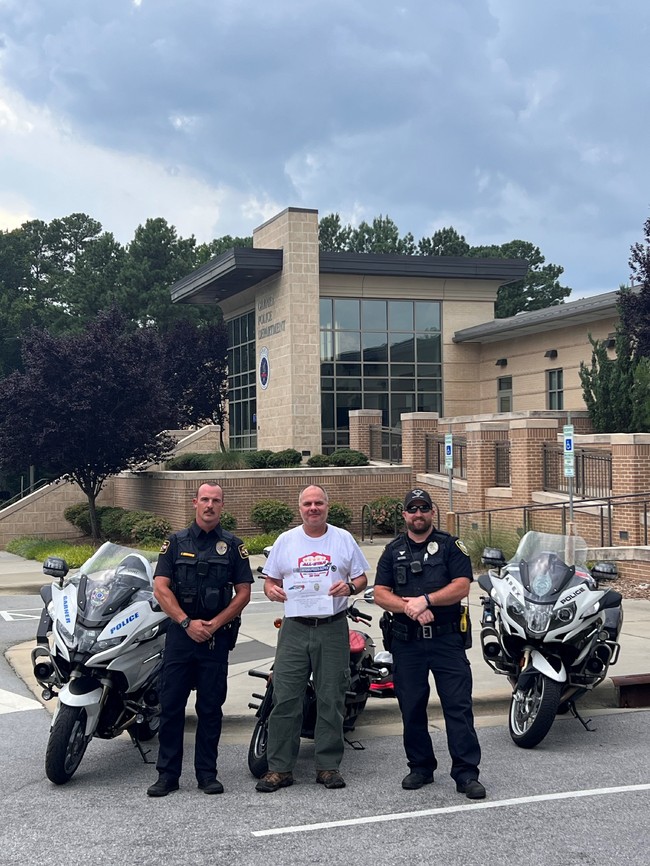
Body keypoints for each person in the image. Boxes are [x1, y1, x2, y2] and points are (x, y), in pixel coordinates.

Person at [255, 484, 369, 793]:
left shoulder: (343, 539)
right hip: (295, 626)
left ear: (327, 506)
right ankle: (280, 768)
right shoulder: (286, 541)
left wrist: (351, 588)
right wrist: (271, 591)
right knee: (285, 696)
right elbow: (270, 581)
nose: (313, 508)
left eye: (319, 503)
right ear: (300, 508)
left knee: (331, 697)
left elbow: (361, 577)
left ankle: (327, 766)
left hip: (332, 626)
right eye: (307, 504)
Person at [373, 488, 486, 800]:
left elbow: (461, 586)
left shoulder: (451, 546)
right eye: (412, 509)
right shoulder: (393, 550)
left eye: (424, 508)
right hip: (407, 642)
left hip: (446, 640)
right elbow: (380, 593)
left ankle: (466, 773)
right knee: (411, 707)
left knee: (458, 706)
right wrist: (409, 607)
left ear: (432, 512)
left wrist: (427, 600)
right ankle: (420, 767)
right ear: (404, 515)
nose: (418, 514)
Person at [146, 482, 253, 797]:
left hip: (214, 640)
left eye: (215, 500)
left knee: (210, 708)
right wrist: (186, 622)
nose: (209, 505)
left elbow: (244, 592)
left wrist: (215, 624)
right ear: (195, 502)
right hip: (181, 637)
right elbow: (160, 588)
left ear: (222, 506)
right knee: (171, 706)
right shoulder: (175, 543)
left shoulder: (233, 546)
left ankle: (207, 774)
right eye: (205, 499)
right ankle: (167, 775)